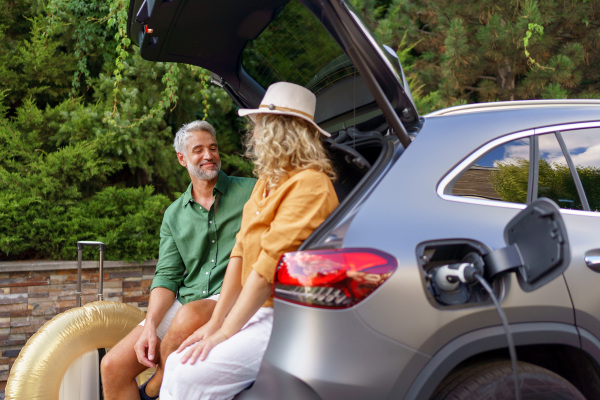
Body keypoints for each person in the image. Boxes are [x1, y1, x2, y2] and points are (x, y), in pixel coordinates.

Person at [159, 81, 339, 399]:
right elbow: (240, 254)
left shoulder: (311, 184)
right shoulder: (265, 183)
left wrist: (225, 331)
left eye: (258, 126)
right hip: (255, 309)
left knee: (189, 374)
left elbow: (266, 268)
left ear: (277, 131)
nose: (252, 134)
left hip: (288, 316)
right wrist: (215, 323)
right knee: (176, 364)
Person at [100, 120, 256, 400]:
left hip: (230, 296)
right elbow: (167, 277)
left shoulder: (251, 193)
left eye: (213, 148)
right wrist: (149, 326)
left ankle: (154, 387)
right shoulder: (174, 214)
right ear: (182, 159)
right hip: (188, 299)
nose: (208, 155)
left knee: (188, 316)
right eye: (198, 150)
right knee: (112, 366)